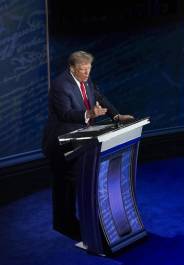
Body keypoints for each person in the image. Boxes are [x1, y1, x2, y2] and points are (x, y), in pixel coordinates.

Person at [42, 51, 133, 240]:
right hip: (60, 142)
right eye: (82, 70)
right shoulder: (60, 86)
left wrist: (116, 116)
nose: (86, 74)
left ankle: (69, 221)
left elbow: (99, 96)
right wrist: (90, 114)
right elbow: (66, 114)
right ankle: (63, 223)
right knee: (64, 184)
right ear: (72, 68)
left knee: (73, 181)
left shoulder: (87, 80)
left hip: (80, 139)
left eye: (88, 69)